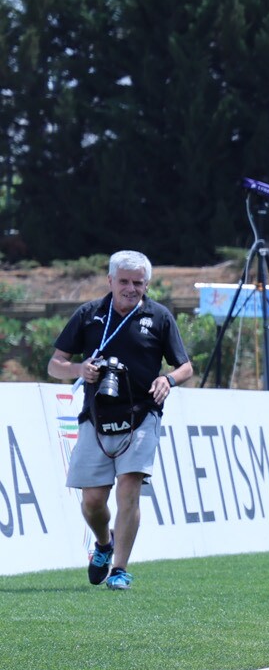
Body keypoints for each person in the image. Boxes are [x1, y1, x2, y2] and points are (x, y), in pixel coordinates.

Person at [48, 250, 193, 589]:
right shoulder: (88, 315)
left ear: (147, 284)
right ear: (110, 280)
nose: (131, 288)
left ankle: (120, 569)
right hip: (96, 417)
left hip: (142, 415)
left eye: (138, 283)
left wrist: (167, 380)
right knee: (93, 501)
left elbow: (185, 366)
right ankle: (103, 543)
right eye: (124, 281)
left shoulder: (159, 317)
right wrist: (78, 370)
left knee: (129, 487)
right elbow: (55, 364)